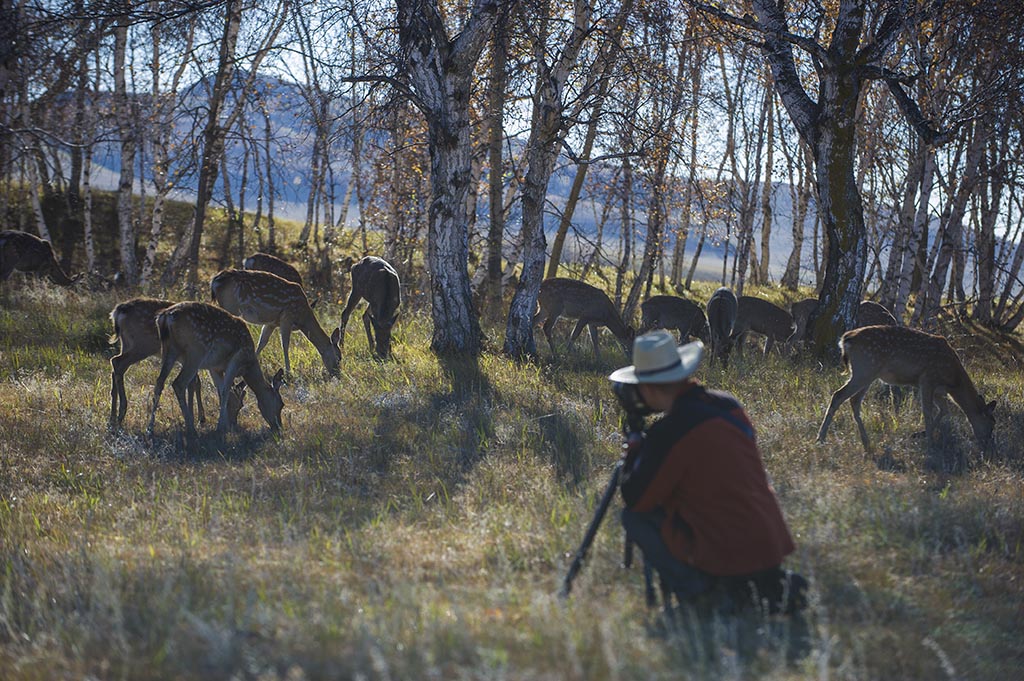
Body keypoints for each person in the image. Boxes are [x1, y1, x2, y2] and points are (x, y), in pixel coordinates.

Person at [608, 330, 803, 613]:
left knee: (634, 518)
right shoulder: (728, 405)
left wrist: (637, 448)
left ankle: (703, 595)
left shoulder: (671, 431)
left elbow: (637, 499)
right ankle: (758, 587)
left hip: (725, 549)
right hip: (768, 544)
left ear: (649, 388)